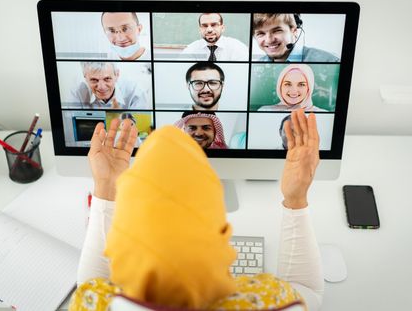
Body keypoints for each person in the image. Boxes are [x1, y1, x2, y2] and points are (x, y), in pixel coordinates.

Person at [70, 109, 323, 310]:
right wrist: (296, 197)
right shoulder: (267, 302)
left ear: (116, 246)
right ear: (224, 237)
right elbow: (307, 291)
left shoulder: (97, 303)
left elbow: (91, 285)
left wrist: (105, 187)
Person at [253, 13, 339, 62]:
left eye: (277, 31)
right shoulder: (257, 66)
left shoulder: (329, 61)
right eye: (260, 33)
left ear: (294, 31)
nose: (269, 40)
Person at [70, 62, 148, 109]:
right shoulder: (78, 93)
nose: (101, 87)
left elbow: (141, 132)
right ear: (85, 77)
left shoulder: (135, 92)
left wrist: (119, 116)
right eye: (94, 80)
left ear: (117, 75)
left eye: (107, 79)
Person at [181, 13, 249, 61]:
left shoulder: (237, 47)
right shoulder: (191, 49)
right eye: (204, 26)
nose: (209, 30)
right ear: (200, 29)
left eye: (214, 25)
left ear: (222, 28)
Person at [258, 64, 326, 111]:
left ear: (309, 88)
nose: (294, 91)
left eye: (301, 84)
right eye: (288, 84)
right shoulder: (265, 110)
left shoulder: (323, 114)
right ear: (280, 87)